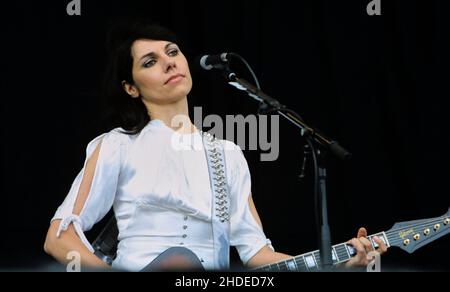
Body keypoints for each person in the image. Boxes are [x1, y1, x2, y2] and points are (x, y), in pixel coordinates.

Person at [44, 20, 387, 272]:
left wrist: (337, 265)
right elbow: (60, 238)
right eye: (149, 62)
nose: (168, 62)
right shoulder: (117, 145)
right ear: (131, 88)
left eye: (172, 51)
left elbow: (258, 255)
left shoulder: (227, 154)